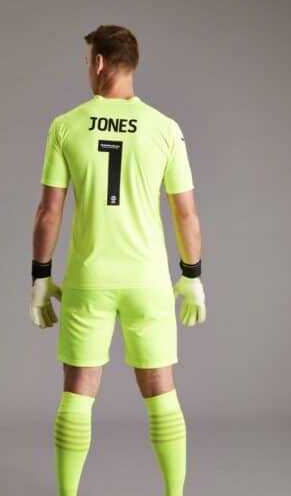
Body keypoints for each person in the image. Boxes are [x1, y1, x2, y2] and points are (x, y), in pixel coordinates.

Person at [28, 25, 206, 496]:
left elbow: (49, 211)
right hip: (148, 282)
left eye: (88, 60)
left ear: (101, 63)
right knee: (162, 393)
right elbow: (185, 213)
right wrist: (192, 276)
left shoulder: (66, 125)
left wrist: (40, 277)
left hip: (89, 280)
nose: (88, 68)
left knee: (77, 395)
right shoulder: (165, 129)